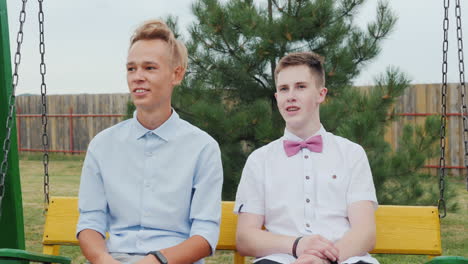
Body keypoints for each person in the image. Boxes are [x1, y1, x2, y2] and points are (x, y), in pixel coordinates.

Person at [76, 19, 223, 264]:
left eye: (149, 68)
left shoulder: (203, 148)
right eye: (131, 69)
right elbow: (91, 221)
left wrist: (156, 261)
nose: (137, 77)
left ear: (177, 74)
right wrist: (103, 260)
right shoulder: (102, 146)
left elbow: (205, 235)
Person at [234, 52, 378, 264]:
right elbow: (245, 237)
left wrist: (325, 259)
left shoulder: (351, 154)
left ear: (321, 94)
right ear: (277, 98)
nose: (291, 95)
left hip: (343, 258)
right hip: (281, 258)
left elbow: (365, 232)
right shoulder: (259, 161)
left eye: (300, 86)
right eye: (284, 89)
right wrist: (297, 245)